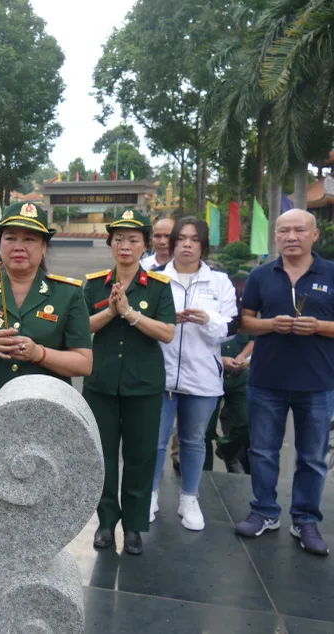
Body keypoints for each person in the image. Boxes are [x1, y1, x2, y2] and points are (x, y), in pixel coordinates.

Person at [236, 208, 334, 556]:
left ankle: (305, 519)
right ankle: (264, 511)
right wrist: (270, 325)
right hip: (267, 379)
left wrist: (319, 327)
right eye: (284, 230)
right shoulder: (261, 275)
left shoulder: (331, 273)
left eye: (299, 230)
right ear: (275, 236)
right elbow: (244, 321)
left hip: (318, 381)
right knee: (263, 451)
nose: (291, 237)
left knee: (313, 457)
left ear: (315, 235)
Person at [84, 209, 176, 556]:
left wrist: (130, 314)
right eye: (119, 239)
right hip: (102, 383)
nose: (125, 245)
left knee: (140, 456)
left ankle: (135, 526)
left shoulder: (159, 286)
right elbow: (81, 328)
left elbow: (167, 332)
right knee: (103, 456)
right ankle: (106, 522)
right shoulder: (95, 283)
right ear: (111, 244)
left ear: (145, 246)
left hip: (144, 384)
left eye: (133, 240)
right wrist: (111, 311)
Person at [0, 202, 93, 416]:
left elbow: (83, 363)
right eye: (10, 238)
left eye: (29, 239)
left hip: (47, 408)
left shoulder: (68, 293)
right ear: (0, 245)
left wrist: (39, 354)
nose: (18, 247)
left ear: (43, 247)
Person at [149, 217, 238, 531]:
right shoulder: (155, 277)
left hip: (202, 376)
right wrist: (165, 320)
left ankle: (189, 498)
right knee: (155, 441)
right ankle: (150, 494)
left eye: (194, 239)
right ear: (172, 243)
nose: (187, 245)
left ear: (204, 245)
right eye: (181, 238)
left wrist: (207, 320)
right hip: (159, 375)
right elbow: (141, 318)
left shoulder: (219, 281)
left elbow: (232, 326)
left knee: (194, 440)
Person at [208, 333, 253, 474]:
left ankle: (225, 448)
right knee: (205, 431)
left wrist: (242, 356)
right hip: (209, 375)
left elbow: (253, 339)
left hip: (240, 376)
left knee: (246, 424)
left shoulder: (244, 318)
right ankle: (202, 476)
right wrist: (220, 360)